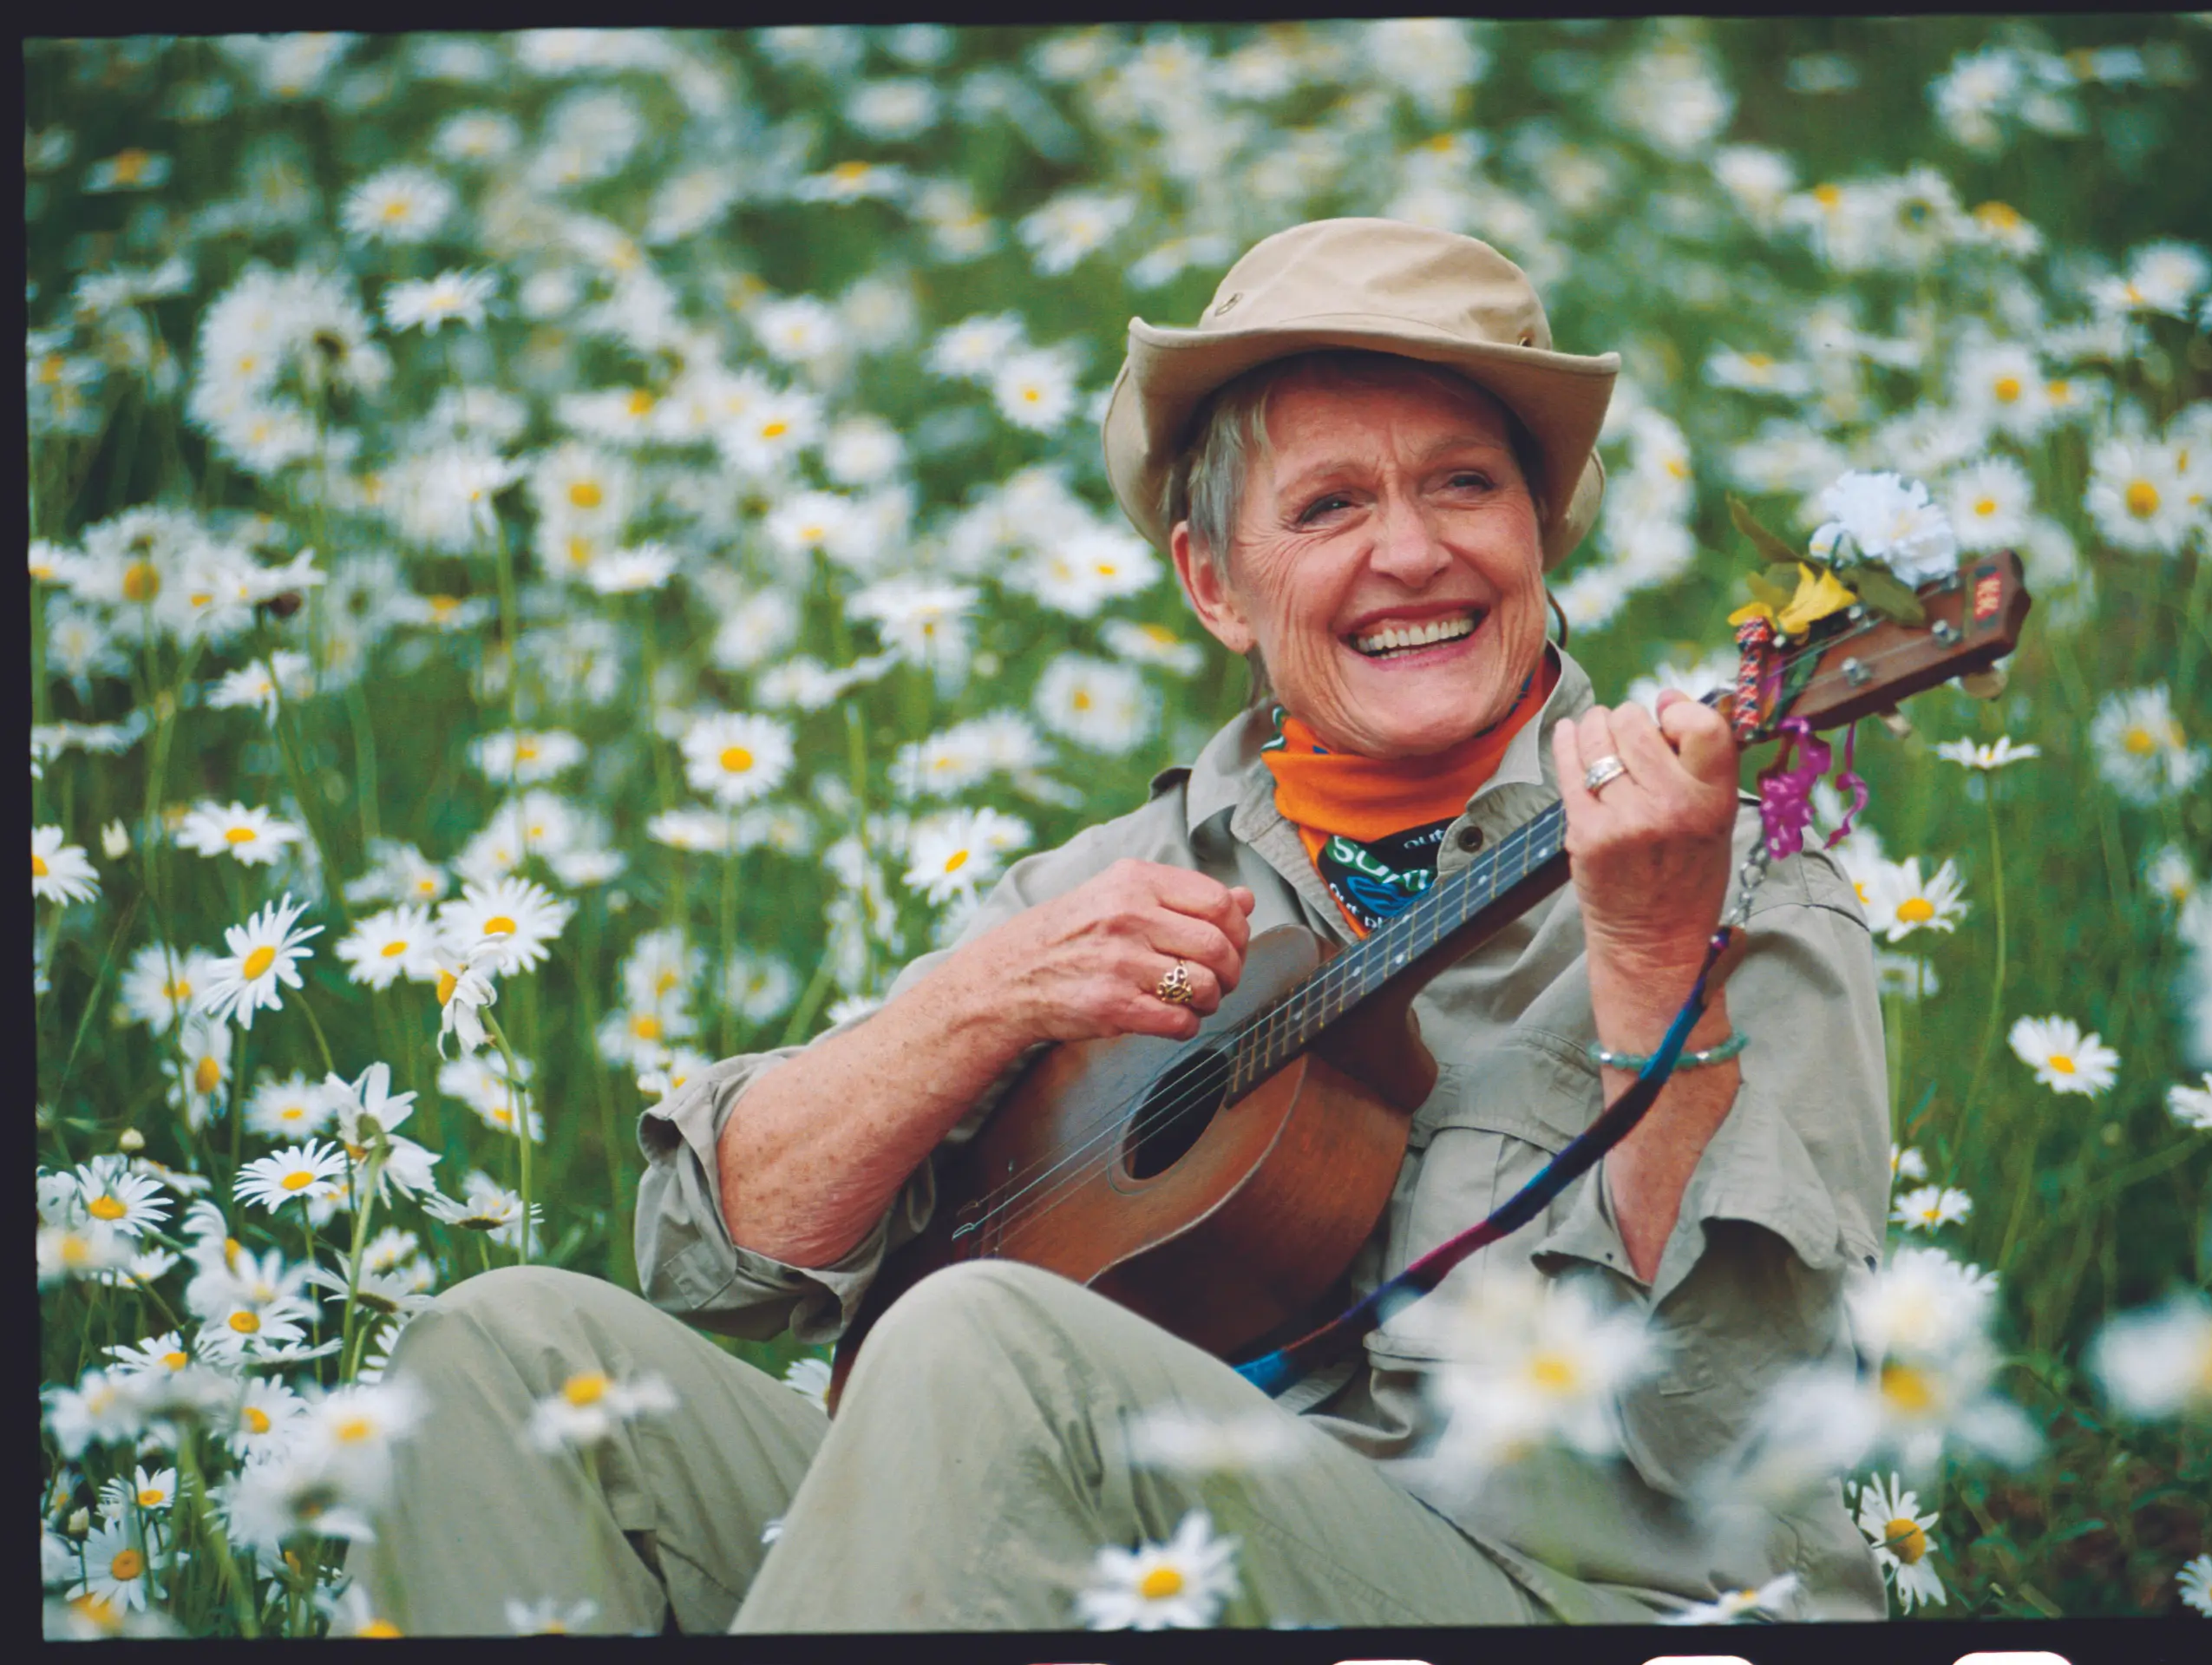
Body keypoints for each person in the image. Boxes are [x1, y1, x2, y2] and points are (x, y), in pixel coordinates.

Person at [348, 218, 1892, 1633]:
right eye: (1331, 503)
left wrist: (1644, 965)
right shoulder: (1117, 886)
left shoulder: (1726, 880)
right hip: (1122, 1561)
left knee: (983, 1346)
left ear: (1543, 530)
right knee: (508, 1350)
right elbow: (713, 1263)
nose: (1411, 551)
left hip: (1556, 1596)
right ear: (1216, 584)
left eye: (1463, 484)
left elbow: (1736, 1432)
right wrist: (970, 1003)